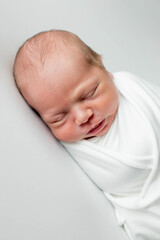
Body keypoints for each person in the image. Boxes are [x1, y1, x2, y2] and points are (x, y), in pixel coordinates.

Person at [13, 29, 160, 240]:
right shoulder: (76, 150)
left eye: (89, 94)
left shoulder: (132, 89)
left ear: (104, 68)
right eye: (60, 117)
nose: (83, 116)